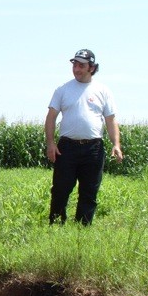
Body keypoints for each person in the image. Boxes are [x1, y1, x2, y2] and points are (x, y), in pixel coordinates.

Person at [45, 49, 123, 225]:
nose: (76, 69)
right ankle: (56, 224)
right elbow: (51, 118)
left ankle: (82, 228)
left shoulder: (103, 90)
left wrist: (116, 144)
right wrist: (50, 144)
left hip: (93, 149)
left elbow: (110, 120)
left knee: (89, 191)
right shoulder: (62, 90)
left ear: (92, 67)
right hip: (66, 148)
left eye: (81, 65)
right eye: (75, 65)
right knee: (61, 189)